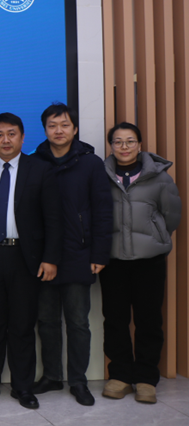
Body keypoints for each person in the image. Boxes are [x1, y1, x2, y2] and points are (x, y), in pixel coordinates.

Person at [0, 113, 60, 410]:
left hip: (25, 258)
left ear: (22, 137)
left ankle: (23, 386)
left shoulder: (41, 169)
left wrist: (50, 258)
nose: (5, 140)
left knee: (22, 325)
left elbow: (53, 219)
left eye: (11, 134)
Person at [32, 103, 112, 406]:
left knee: (78, 322)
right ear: (45, 130)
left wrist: (100, 253)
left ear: (75, 129)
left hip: (79, 252)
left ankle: (78, 380)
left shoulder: (91, 163)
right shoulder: (35, 162)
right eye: (52, 125)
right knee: (47, 320)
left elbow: (103, 210)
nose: (59, 131)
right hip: (44, 255)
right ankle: (52, 376)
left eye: (64, 125)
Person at [101, 122, 181, 404]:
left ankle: (146, 378)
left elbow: (171, 216)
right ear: (111, 146)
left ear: (139, 144)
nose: (124, 147)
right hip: (113, 260)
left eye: (130, 141)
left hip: (150, 260)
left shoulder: (159, 177)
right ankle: (120, 376)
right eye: (118, 141)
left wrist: (154, 238)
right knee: (115, 319)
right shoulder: (102, 176)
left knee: (149, 320)